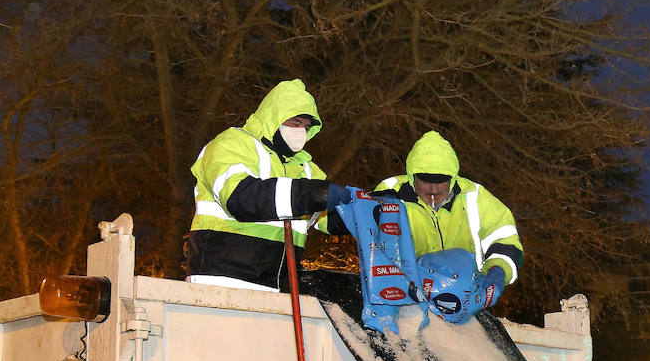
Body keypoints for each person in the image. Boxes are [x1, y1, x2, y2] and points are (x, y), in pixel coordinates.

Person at [185, 79, 351, 291]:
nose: (301, 131)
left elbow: (327, 220)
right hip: (220, 283)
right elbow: (240, 198)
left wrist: (369, 210)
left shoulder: (307, 169)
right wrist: (314, 194)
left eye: (306, 126)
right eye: (295, 123)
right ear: (275, 118)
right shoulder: (231, 144)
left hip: (279, 290)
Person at [373, 130, 522, 316]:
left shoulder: (475, 197)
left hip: (468, 305)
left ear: (453, 178)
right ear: (412, 177)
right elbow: (369, 236)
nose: (433, 189)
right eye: (426, 181)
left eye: (440, 181)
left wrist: (498, 271)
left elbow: (505, 239)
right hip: (404, 306)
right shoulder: (390, 194)